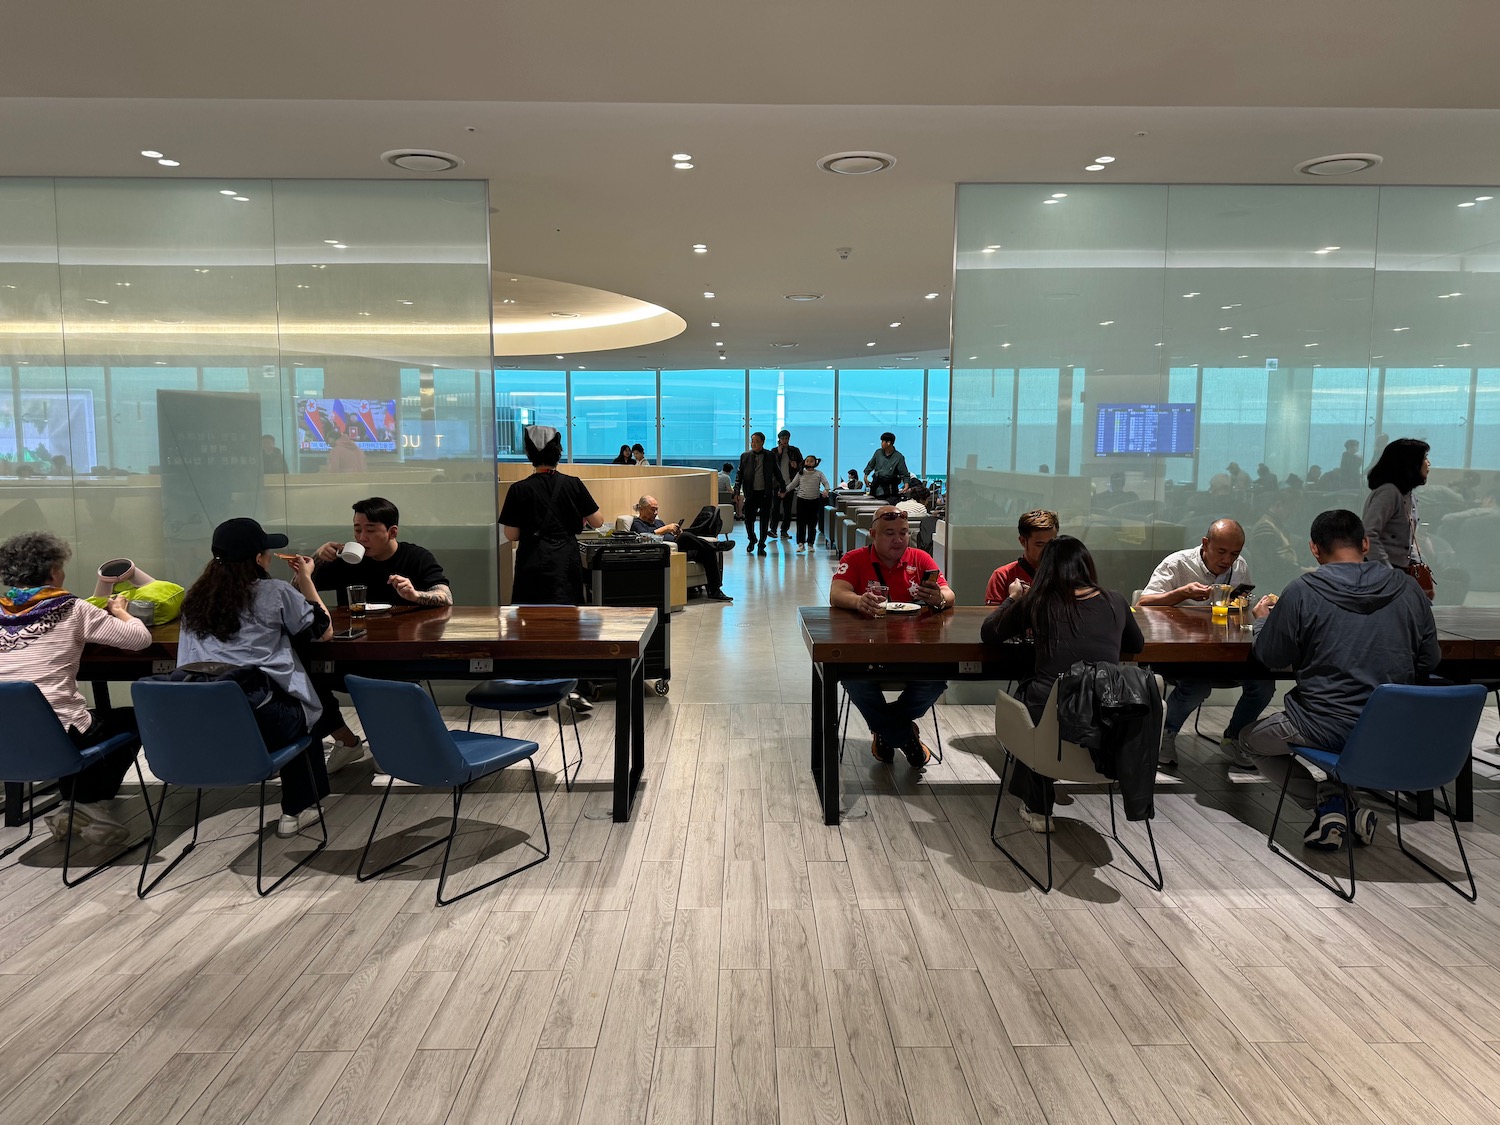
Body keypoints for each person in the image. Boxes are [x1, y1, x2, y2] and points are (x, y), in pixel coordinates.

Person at [1243, 508, 1439, 850]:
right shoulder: (1408, 590)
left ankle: (1330, 808)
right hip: (1391, 729)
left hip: (1322, 724)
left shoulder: (1303, 591)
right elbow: (1430, 659)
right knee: (1346, 744)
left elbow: (1270, 658)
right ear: (1365, 543)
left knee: (1248, 740)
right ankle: (1339, 805)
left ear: (1314, 549)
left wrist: (1262, 621)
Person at [177, 518, 336, 837]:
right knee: (307, 712)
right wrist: (305, 579)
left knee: (286, 705)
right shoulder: (274, 591)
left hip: (203, 724)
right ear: (257, 558)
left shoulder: (194, 600)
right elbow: (324, 631)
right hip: (260, 721)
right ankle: (298, 808)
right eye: (265, 551)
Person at [981, 535, 1144, 831]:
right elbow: (1136, 643)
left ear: (1045, 569)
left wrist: (1014, 597)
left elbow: (990, 633)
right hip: (1108, 716)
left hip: (1053, 721)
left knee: (1033, 699)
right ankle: (1036, 799)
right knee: (1041, 701)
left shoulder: (1038, 601)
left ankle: (1038, 806)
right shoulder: (1115, 600)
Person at [0, 531, 151, 845]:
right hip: (59, 731)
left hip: (7, 733)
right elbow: (139, 640)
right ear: (54, 570)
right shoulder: (71, 608)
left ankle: (75, 805)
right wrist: (122, 611)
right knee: (133, 720)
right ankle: (87, 805)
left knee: (83, 721)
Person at [1138, 518, 1272, 768]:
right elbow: (1143, 603)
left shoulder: (1239, 567)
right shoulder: (1178, 563)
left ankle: (1233, 739)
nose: (1227, 560)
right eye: (1221, 552)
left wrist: (1248, 609)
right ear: (1205, 544)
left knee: (1263, 684)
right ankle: (1164, 735)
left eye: (1234, 553)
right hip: (1180, 650)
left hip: (1223, 649)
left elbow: (1243, 611)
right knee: (1197, 687)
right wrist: (1182, 593)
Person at [829, 506, 955, 768]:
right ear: (873, 534)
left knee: (935, 680)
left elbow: (948, 592)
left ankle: (886, 731)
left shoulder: (920, 559)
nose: (898, 539)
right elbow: (837, 593)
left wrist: (939, 599)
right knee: (856, 681)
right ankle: (906, 737)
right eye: (889, 533)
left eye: (904, 532)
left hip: (914, 650)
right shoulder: (855, 558)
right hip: (867, 649)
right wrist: (858, 601)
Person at [500, 425, 604, 606]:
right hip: (566, 563)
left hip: (532, 561)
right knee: (568, 618)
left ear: (529, 453)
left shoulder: (518, 489)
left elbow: (512, 534)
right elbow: (598, 521)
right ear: (558, 451)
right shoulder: (573, 484)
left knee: (530, 620)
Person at [313, 497, 452, 608]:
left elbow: (446, 597)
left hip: (405, 636)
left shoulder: (417, 557)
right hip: (354, 635)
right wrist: (317, 557)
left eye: (371, 530)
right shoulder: (347, 559)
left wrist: (415, 595)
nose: (362, 538)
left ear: (392, 532)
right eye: (357, 530)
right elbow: (296, 591)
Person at [1362, 438, 1432, 596]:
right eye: (1424, 458)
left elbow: (1408, 540)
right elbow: (1368, 534)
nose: (1428, 463)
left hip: (1399, 571)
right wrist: (1388, 571)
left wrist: (1416, 563)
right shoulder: (1389, 492)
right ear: (1410, 463)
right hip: (1382, 573)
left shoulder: (1407, 494)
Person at [632, 495, 733, 602]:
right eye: (653, 510)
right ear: (642, 509)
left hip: (681, 548)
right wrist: (666, 529)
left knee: (707, 552)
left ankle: (715, 590)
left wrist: (676, 532)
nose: (656, 513)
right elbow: (643, 538)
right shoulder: (637, 523)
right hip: (669, 552)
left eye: (657, 509)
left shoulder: (658, 522)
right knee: (686, 537)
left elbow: (669, 534)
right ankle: (716, 546)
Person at [985, 509, 1059, 604]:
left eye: (1052, 543)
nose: (1048, 549)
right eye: (1040, 544)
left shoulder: (1066, 573)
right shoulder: (1003, 576)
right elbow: (993, 617)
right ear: (1023, 541)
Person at [1249, 490, 1311, 595]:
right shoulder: (1264, 528)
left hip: (1285, 578)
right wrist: (1303, 570)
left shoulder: (1276, 525)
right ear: (1278, 505)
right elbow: (1274, 564)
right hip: (1274, 584)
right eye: (1290, 509)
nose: (1291, 514)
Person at [734, 431, 785, 556]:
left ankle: (761, 545)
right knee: (748, 520)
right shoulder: (745, 456)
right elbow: (739, 475)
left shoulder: (770, 455)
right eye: (752, 441)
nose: (754, 443)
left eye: (757, 441)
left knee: (764, 520)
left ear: (762, 442)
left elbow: (777, 473)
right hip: (750, 493)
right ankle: (752, 539)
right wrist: (736, 490)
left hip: (765, 493)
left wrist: (783, 488)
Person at [785, 454, 831, 551]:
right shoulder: (800, 473)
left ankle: (810, 543)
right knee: (800, 523)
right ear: (804, 462)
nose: (808, 462)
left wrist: (826, 490)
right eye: (807, 461)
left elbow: (826, 483)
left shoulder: (819, 473)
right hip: (801, 500)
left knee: (812, 523)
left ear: (815, 463)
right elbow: (793, 484)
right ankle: (800, 543)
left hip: (814, 500)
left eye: (811, 461)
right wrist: (784, 491)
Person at [771, 430, 803, 539]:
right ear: (779, 439)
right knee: (775, 508)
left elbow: (802, 466)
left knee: (787, 509)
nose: (784, 440)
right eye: (783, 438)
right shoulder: (774, 451)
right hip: (777, 484)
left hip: (789, 484)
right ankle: (773, 530)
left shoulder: (794, 450)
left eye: (786, 438)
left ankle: (784, 530)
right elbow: (772, 466)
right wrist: (779, 455)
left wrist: (796, 466)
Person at [864, 433, 912, 500]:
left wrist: (906, 485)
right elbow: (870, 465)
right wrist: (865, 476)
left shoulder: (898, 457)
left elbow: (904, 473)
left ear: (889, 443)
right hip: (876, 484)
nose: (881, 443)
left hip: (890, 487)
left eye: (883, 441)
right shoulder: (878, 452)